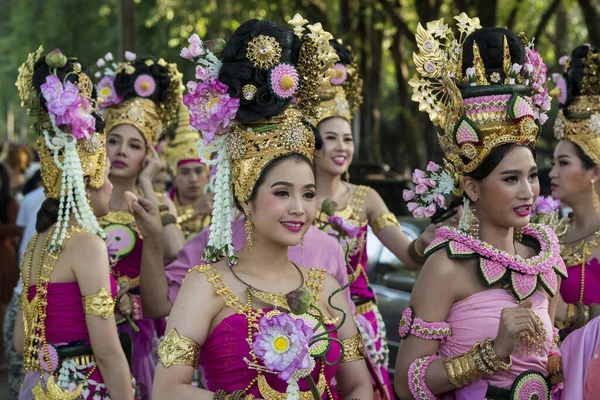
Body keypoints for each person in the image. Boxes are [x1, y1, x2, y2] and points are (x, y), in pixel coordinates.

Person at [151, 17, 373, 399]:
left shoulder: (327, 288)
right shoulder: (205, 285)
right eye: (282, 193)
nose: (299, 209)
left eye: (307, 194)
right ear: (244, 199)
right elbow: (168, 390)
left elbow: (358, 387)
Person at [394, 19, 564, 399]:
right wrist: (492, 353)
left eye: (532, 176)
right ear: (471, 186)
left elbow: (548, 357)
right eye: (510, 179)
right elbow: (405, 384)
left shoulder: (545, 258)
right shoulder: (445, 267)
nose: (528, 192)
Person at [310, 39, 436, 398]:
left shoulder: (367, 199)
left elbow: (408, 256)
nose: (341, 147)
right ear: (311, 144)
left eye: (347, 139)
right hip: (306, 321)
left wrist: (425, 242)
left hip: (361, 321)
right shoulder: (295, 202)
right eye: (330, 138)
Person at [13, 47, 132, 399]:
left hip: (39, 385)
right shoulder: (85, 243)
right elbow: (108, 351)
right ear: (89, 177)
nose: (111, 186)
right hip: (80, 386)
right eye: (106, 175)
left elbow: (22, 342)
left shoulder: (38, 243)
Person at [95, 50, 186, 399]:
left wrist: (148, 184)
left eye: (134, 146)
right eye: (113, 140)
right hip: (90, 328)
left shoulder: (155, 201)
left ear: (147, 155)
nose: (120, 151)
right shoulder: (87, 200)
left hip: (139, 334)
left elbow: (175, 249)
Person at [549, 45, 600, 332]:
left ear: (594, 172)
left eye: (564, 163)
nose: (553, 173)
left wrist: (568, 313)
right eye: (554, 162)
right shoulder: (551, 234)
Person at [2, 174, 45, 398]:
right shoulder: (31, 199)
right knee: (17, 361)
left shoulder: (84, 201)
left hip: (54, 296)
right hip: (24, 289)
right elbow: (22, 235)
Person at [163, 104, 212, 240]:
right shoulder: (161, 206)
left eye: (198, 171)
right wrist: (193, 211)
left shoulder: (220, 208)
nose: (193, 179)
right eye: (185, 172)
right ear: (173, 177)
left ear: (207, 175)